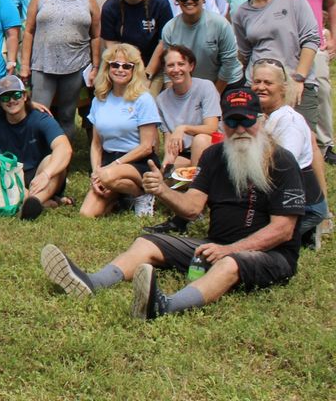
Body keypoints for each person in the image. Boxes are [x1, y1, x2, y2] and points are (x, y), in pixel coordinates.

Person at [41, 87, 306, 321]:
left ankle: (165, 306)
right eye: (233, 121)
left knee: (230, 264)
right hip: (215, 244)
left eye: (247, 121)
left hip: (271, 255)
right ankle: (92, 282)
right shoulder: (214, 156)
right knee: (147, 242)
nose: (240, 129)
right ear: (223, 124)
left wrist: (231, 250)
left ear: (260, 120)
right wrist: (163, 190)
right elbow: (192, 208)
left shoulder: (281, 162)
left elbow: (282, 230)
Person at [269, 0, 336, 163]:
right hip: (281, 41)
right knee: (279, 91)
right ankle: (282, 139)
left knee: (320, 90)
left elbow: (332, 5)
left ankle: (324, 144)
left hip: (314, 40)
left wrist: (334, 38)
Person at [230, 0, 320, 129]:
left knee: (304, 138)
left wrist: (299, 78)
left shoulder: (294, 0)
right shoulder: (242, 12)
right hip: (259, 85)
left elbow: (310, 40)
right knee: (261, 142)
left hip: (294, 80)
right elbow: (245, 53)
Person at [143, 44, 222, 236]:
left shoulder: (205, 87)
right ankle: (186, 208)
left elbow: (211, 127)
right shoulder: (162, 99)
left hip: (213, 150)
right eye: (170, 65)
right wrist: (168, 160)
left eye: (181, 64)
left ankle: (195, 206)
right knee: (168, 174)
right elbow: (170, 138)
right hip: (186, 154)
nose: (176, 69)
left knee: (201, 139)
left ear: (191, 66)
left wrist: (184, 128)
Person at [20, 0, 100, 137]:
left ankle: (63, 163)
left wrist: (95, 66)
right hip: (42, 65)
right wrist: (24, 65)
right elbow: (29, 31)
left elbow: (96, 35)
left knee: (66, 116)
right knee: (38, 114)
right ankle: (38, 161)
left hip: (74, 66)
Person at [249, 59, 329, 248]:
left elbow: (282, 169)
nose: (261, 87)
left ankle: (306, 229)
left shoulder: (289, 122)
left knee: (251, 239)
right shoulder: (265, 116)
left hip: (305, 205)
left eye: (268, 83)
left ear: (283, 88)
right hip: (278, 198)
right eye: (257, 81)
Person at [81, 44, 159, 218]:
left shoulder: (143, 99)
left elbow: (147, 147)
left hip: (139, 161)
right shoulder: (99, 99)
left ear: (134, 69)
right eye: (115, 65)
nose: (120, 69)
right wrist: (96, 173)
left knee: (108, 176)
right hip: (110, 160)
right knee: (87, 213)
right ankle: (122, 196)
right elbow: (96, 144)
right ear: (107, 68)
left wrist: (111, 168)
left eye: (126, 66)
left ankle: (143, 195)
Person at [0, 74, 73, 220]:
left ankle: (33, 202)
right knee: (0, 175)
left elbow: (65, 148)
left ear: (24, 96)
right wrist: (21, 190)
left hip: (40, 174)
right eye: (5, 97)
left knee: (53, 160)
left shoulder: (41, 118)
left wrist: (46, 174)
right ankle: (40, 201)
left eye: (16, 95)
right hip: (12, 176)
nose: (11, 100)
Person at [150, 0, 243, 93]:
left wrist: (214, 95)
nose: (189, 1)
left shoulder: (220, 24)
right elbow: (168, 67)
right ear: (177, 0)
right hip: (192, 86)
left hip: (227, 83)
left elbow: (229, 63)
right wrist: (173, 97)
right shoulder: (170, 29)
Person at [101, 0, 173, 87]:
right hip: (123, 66)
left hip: (154, 66)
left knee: (147, 97)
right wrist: (125, 71)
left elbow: (164, 42)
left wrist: (147, 75)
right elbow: (111, 44)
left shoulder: (159, 3)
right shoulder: (110, 7)